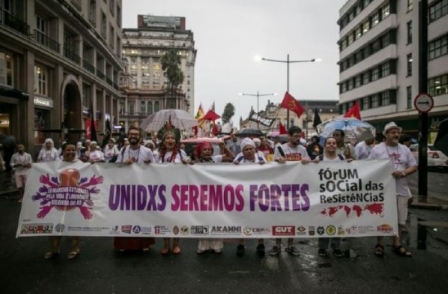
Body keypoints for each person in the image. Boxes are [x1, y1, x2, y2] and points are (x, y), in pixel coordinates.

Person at [368, 122, 417, 257]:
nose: (396, 134)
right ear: (386, 134)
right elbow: (368, 167)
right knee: (382, 217)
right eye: (393, 132)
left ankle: (397, 243)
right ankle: (380, 244)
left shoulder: (405, 150)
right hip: (382, 191)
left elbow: (414, 166)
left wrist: (403, 173)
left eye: (398, 132)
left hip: (401, 189)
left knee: (401, 219)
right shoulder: (377, 149)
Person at [114, 126, 155, 252]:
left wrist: (149, 164)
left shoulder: (147, 151)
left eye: (136, 134)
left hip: (142, 189)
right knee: (125, 217)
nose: (133, 136)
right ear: (128, 135)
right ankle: (124, 244)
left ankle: (144, 243)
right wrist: (123, 163)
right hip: (126, 188)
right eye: (131, 134)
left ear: (140, 137)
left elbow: (156, 168)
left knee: (143, 217)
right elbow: (116, 167)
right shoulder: (123, 150)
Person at [272, 126, 310, 256]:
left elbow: (310, 165)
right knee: (279, 217)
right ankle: (277, 245)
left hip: (296, 188)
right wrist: (277, 160)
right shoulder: (279, 149)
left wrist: (307, 161)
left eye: (300, 136)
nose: (298, 138)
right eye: (295, 136)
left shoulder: (303, 149)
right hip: (282, 188)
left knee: (292, 217)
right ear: (289, 136)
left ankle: (290, 245)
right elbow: (272, 167)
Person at [194, 141, 234, 254]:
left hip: (216, 194)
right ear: (200, 152)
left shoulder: (216, 159)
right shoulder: (195, 163)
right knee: (203, 219)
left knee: (216, 219)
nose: (207, 151)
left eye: (209, 150)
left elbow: (231, 157)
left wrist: (224, 147)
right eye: (204, 150)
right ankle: (203, 246)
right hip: (201, 195)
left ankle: (217, 245)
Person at [43, 142, 81, 259]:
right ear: (62, 151)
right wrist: (32, 167)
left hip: (74, 201)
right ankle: (54, 249)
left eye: (73, 150)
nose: (71, 152)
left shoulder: (81, 164)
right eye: (68, 150)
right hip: (57, 201)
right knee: (55, 225)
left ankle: (75, 248)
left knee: (75, 226)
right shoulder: (55, 165)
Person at [314, 137, 350, 258]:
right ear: (325, 145)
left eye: (333, 143)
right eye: (329, 143)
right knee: (324, 221)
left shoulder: (342, 159)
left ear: (336, 145)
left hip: (339, 196)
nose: (331, 145)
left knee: (338, 221)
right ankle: (322, 247)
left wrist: (352, 163)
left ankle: (336, 246)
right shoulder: (319, 159)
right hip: (323, 196)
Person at [233, 138, 266, 257]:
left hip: (258, 195)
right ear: (243, 151)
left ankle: (261, 243)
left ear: (254, 149)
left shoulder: (261, 158)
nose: (249, 151)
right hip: (243, 195)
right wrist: (234, 165)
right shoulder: (238, 159)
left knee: (259, 220)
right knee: (242, 220)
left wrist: (265, 166)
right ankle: (241, 244)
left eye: (251, 148)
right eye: (246, 149)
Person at [158, 129, 188, 255]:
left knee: (176, 218)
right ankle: (166, 244)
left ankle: (175, 244)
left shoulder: (181, 154)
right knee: (164, 218)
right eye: (167, 138)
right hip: (162, 191)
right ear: (163, 142)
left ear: (175, 142)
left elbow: (188, 170)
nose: (170, 140)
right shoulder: (157, 155)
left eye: (172, 138)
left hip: (177, 191)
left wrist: (188, 163)